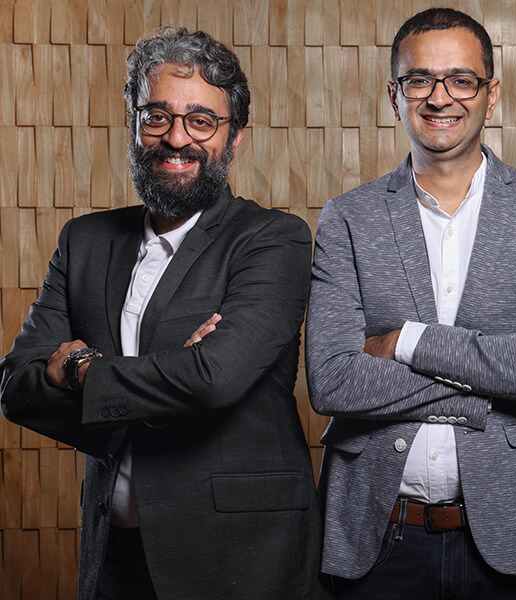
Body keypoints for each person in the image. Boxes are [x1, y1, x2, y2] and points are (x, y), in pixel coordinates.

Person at [0, 26, 329, 600]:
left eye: (201, 121)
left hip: (240, 553)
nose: (176, 138)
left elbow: (214, 377)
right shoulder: (85, 240)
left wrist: (81, 370)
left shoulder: (272, 239)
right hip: (115, 552)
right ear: (133, 124)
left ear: (234, 139)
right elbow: (17, 385)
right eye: (157, 116)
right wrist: (165, 385)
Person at [304, 8, 516, 599]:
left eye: (462, 80)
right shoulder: (348, 218)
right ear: (395, 95)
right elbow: (331, 381)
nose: (440, 98)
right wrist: (495, 381)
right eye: (420, 81)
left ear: (491, 95)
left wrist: (405, 343)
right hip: (377, 535)